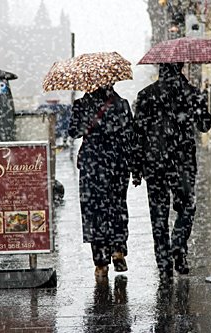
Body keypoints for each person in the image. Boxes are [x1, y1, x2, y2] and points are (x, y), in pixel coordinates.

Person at [133, 63, 211, 279]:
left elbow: (137, 134)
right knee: (187, 206)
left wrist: (136, 169)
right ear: (182, 67)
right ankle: (178, 244)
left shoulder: (146, 95)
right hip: (182, 161)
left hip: (154, 162)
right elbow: (205, 125)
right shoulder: (192, 93)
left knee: (158, 215)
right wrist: (202, 102)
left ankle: (164, 263)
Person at [68, 85, 134, 279]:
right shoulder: (121, 104)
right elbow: (130, 135)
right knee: (117, 206)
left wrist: (82, 118)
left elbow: (73, 132)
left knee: (94, 211)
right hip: (117, 163)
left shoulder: (82, 105)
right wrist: (135, 165)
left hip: (92, 165)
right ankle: (118, 249)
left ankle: (100, 262)